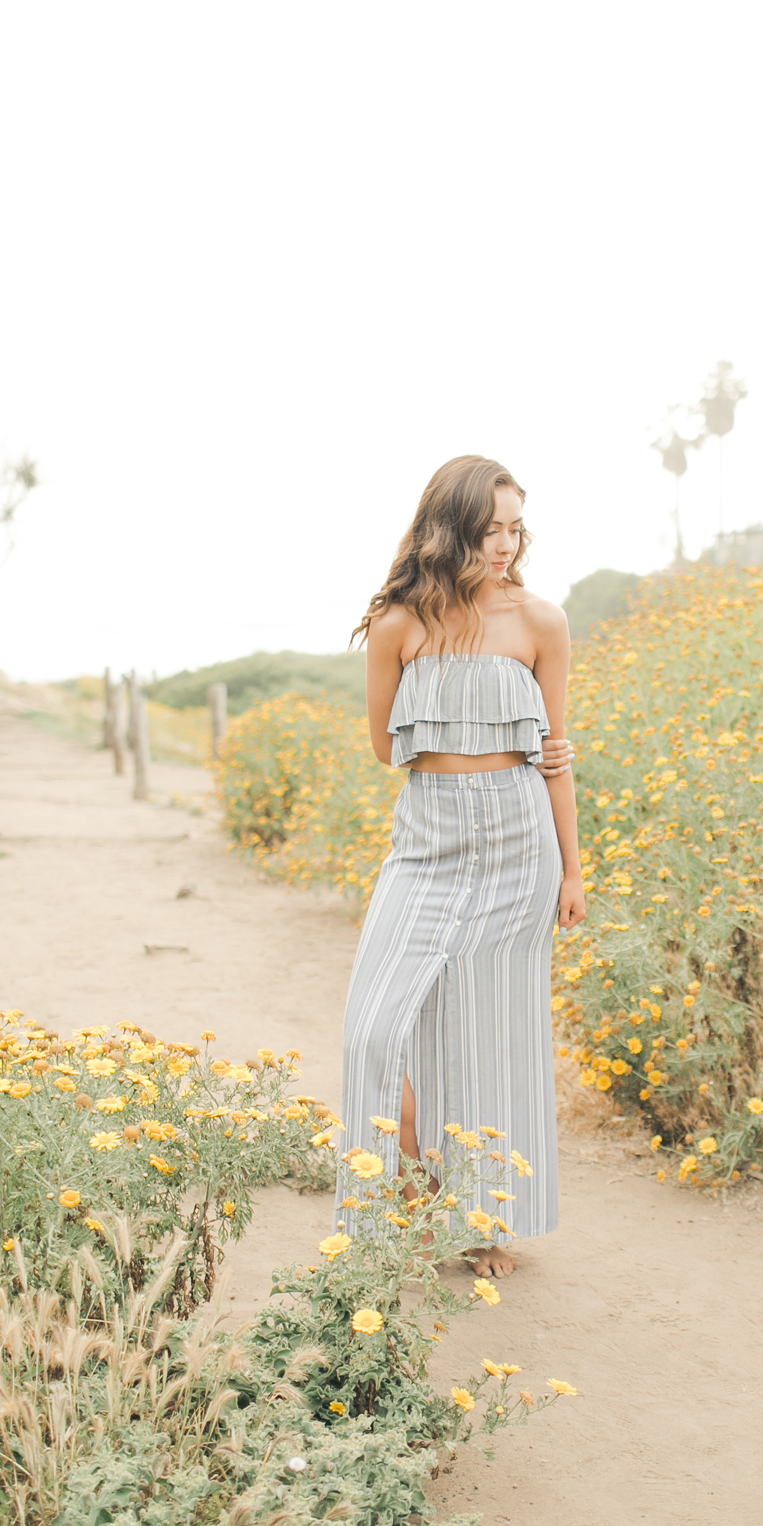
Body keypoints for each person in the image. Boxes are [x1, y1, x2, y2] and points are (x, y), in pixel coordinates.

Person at [337, 454, 586, 1278]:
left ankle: (479, 1222)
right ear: (450, 531)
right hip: (428, 847)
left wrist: (573, 873)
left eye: (515, 528)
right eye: (489, 531)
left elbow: (555, 758)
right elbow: (385, 747)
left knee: (490, 1041)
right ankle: (406, 1187)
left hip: (522, 849)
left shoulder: (542, 622)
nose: (506, 545)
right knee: (375, 1027)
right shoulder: (400, 623)